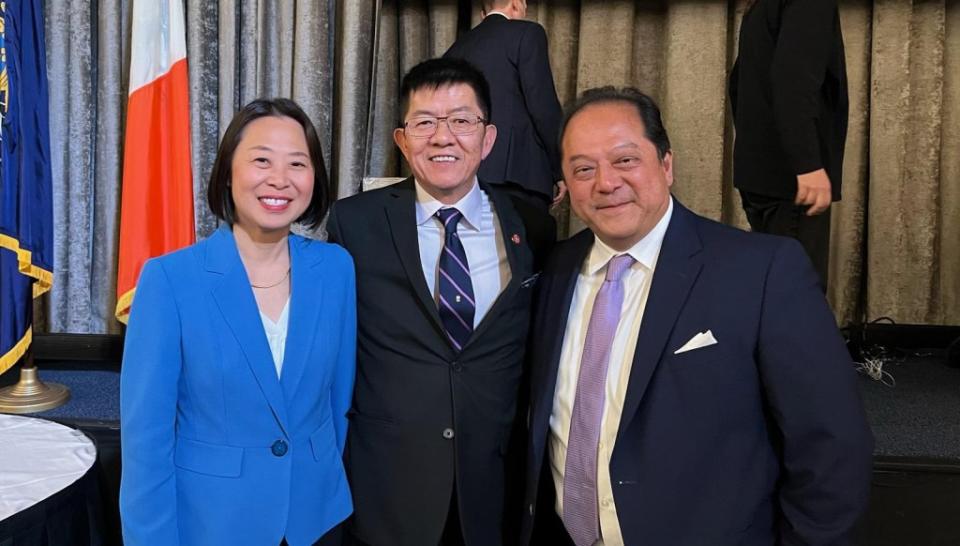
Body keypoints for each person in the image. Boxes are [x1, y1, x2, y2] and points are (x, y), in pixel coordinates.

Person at [521, 87, 873, 546]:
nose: (605, 182)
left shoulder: (761, 272)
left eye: (625, 160)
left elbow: (832, 445)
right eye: (584, 168)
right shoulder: (552, 270)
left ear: (666, 165)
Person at [326, 58, 554, 546]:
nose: (442, 137)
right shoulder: (352, 224)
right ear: (403, 140)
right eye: (424, 122)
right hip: (386, 486)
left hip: (496, 489)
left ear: (487, 138)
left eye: (461, 121)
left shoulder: (534, 225)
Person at [119, 98, 355, 546]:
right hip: (212, 523)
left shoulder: (336, 269)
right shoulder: (169, 279)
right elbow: (145, 441)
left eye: (297, 164)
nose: (279, 179)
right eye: (261, 160)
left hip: (316, 516)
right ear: (229, 171)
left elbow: (338, 401)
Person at [729, 0, 848, 288]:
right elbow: (794, 82)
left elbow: (738, 85)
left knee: (771, 292)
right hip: (792, 182)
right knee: (796, 299)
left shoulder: (761, 6)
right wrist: (807, 164)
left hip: (761, 176)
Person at [444, 0, 564, 211]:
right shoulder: (528, 32)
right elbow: (543, 107)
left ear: (483, 13)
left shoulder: (455, 49)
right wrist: (561, 168)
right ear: (517, 4)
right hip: (519, 176)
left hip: (462, 178)